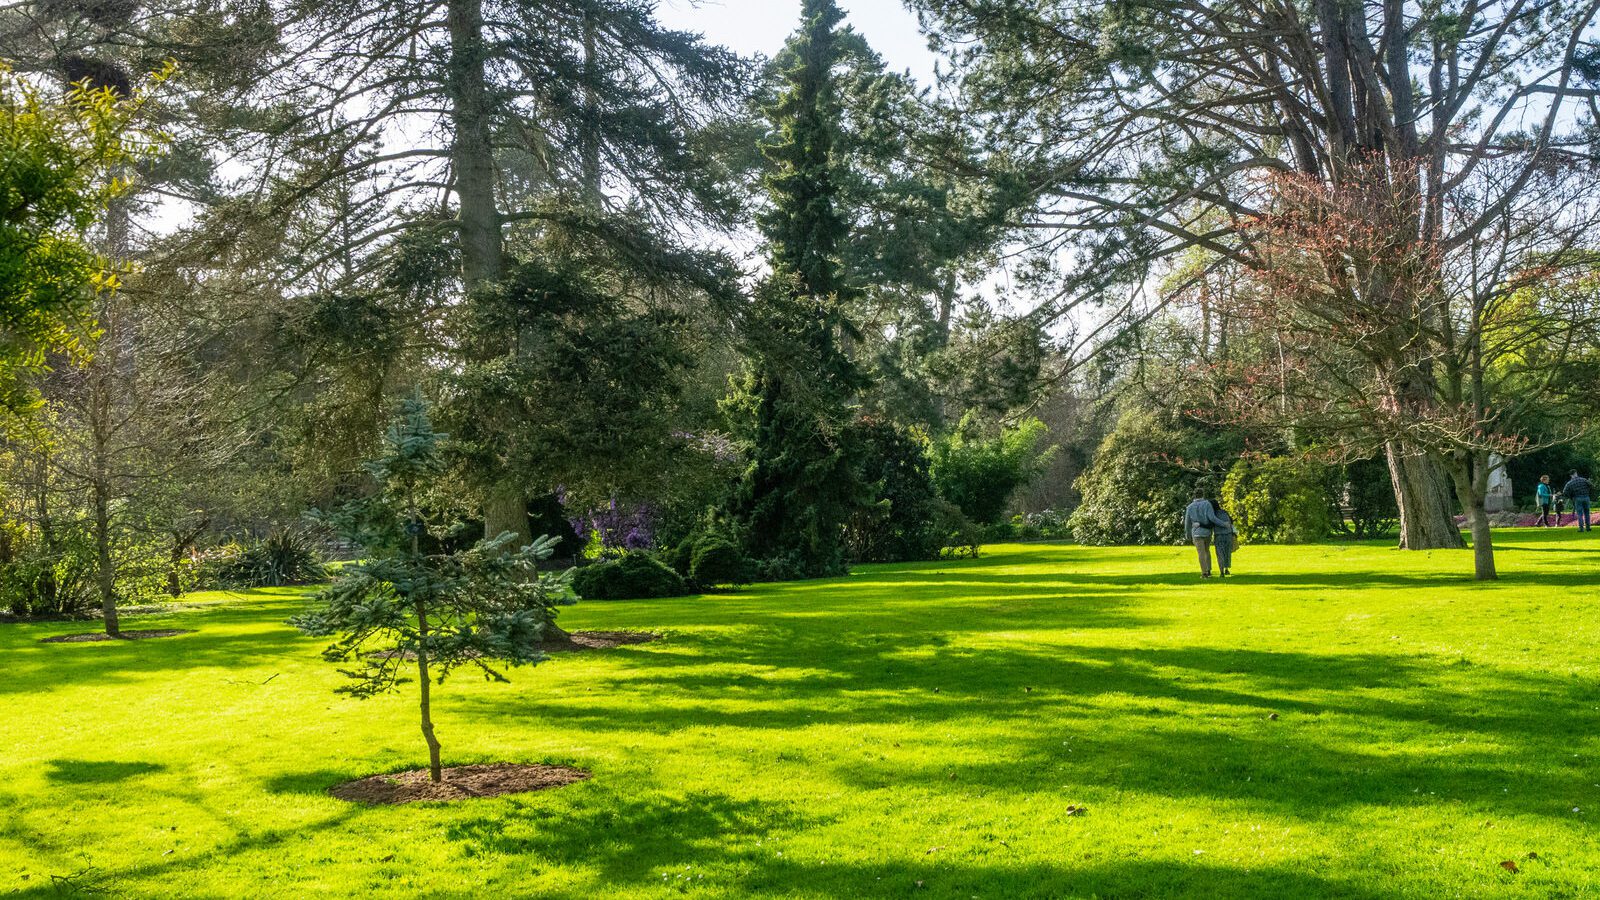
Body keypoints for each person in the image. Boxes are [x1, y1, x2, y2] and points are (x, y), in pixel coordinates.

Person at [1183, 489, 1225, 578]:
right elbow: (1212, 518)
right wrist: (1223, 524)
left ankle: (1204, 573)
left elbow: (1187, 522)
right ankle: (1208, 570)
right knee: (1207, 551)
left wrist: (1187, 534)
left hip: (1196, 533)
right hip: (1207, 532)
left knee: (1201, 553)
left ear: (1194, 495)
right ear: (1203, 495)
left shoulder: (1190, 507)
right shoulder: (1207, 504)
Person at [1208, 498, 1237, 577]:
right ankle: (1227, 569)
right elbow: (1231, 521)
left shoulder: (1213, 514)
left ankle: (1221, 572)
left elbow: (1211, 524)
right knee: (1227, 553)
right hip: (1228, 534)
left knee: (1220, 553)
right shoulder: (1224, 512)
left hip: (1219, 535)